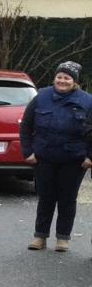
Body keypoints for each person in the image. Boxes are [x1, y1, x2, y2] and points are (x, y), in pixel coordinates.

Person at [19, 61, 92, 252]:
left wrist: (90, 157)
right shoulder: (41, 96)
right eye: (59, 77)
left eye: (67, 78)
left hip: (74, 160)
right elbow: (26, 126)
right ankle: (40, 237)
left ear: (74, 81)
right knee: (46, 197)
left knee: (68, 199)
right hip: (44, 157)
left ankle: (63, 238)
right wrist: (28, 152)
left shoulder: (87, 101)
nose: (62, 80)